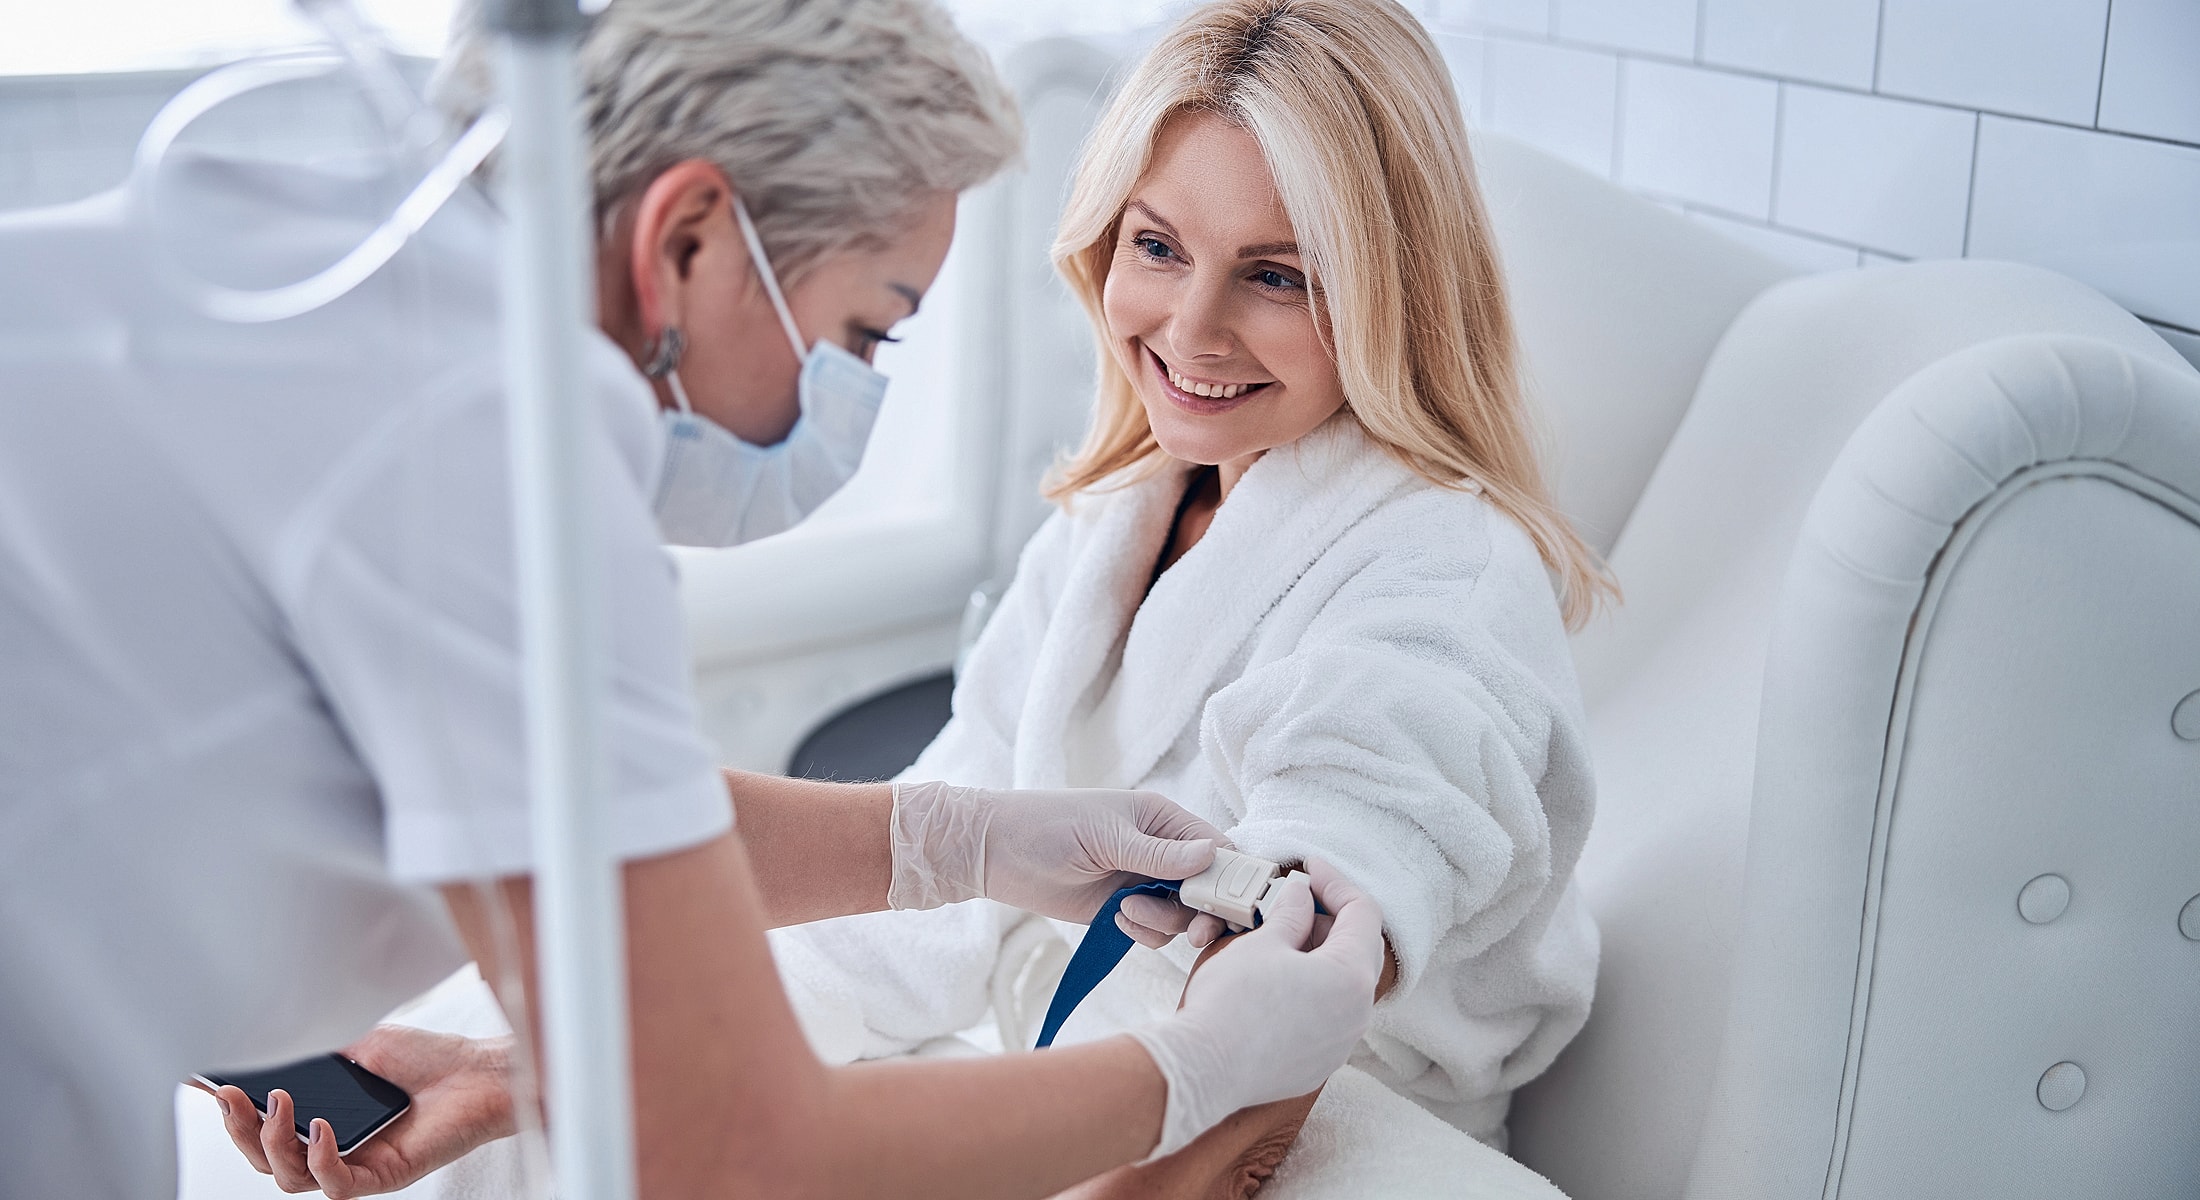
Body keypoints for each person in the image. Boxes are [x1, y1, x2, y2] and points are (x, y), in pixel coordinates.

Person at [0, 1, 1387, 1198]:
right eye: (864, 331)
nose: (841, 397)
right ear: (689, 237)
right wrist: (1194, 1069)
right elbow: (734, 1156)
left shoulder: (308, 272)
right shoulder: (488, 449)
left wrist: (964, 838)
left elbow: (584, 799)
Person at [755, 1, 1613, 1194]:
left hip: (1322, 1137)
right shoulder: (1123, 516)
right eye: (1157, 247)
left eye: (1275, 276)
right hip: (1084, 1063)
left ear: (1390, 294)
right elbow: (946, 856)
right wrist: (617, 1068)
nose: (1190, 332)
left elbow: (1297, 983)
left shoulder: (1441, 586)